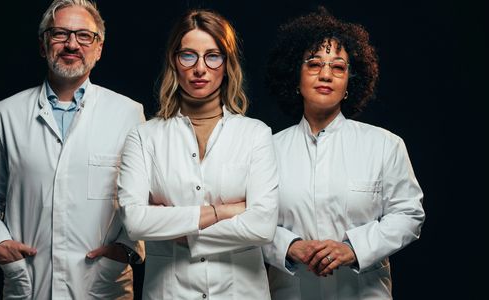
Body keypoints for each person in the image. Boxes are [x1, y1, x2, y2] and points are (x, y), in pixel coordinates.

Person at [0, 1, 145, 299]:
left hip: (102, 283)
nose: (71, 44)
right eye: (60, 34)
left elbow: (145, 194)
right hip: (30, 280)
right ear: (43, 45)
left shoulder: (128, 114)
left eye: (84, 36)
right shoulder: (4, 114)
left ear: (99, 48)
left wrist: (126, 248)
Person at [261, 7, 425, 299]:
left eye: (338, 67)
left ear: (350, 83)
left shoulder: (384, 145)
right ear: (295, 77)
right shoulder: (267, 149)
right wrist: (288, 246)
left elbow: (409, 214)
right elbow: (250, 221)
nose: (326, 75)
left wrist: (353, 249)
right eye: (313, 64)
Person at [117, 9, 278, 300]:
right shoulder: (144, 136)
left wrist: (175, 226)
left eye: (212, 56)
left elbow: (263, 226)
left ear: (227, 63)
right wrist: (224, 211)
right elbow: (136, 221)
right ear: (174, 61)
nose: (200, 68)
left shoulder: (256, 134)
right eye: (188, 55)